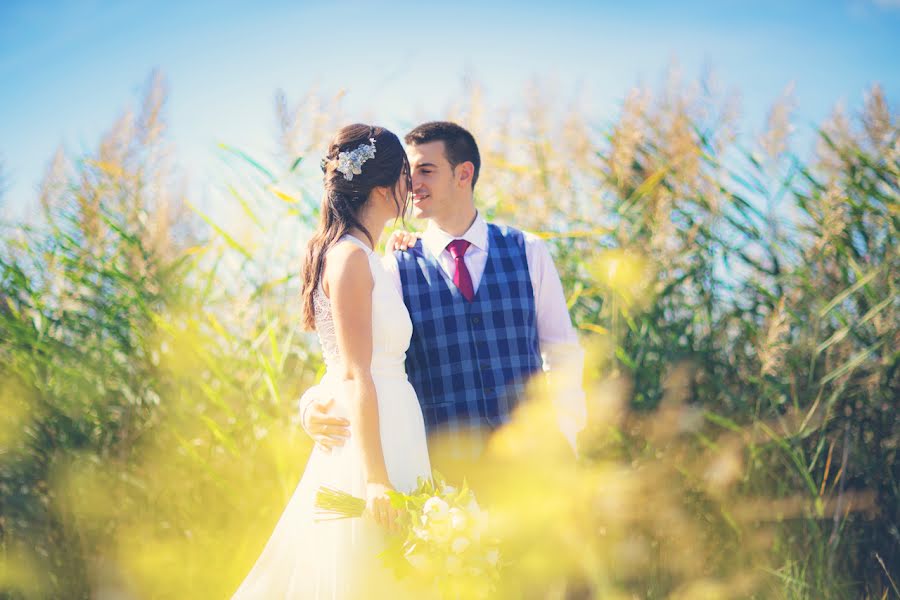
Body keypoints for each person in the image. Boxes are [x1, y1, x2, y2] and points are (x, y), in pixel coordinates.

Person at [300, 121, 586, 467]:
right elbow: (360, 354)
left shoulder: (528, 251)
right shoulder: (394, 266)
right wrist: (312, 405)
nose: (411, 184)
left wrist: (567, 433)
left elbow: (561, 352)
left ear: (463, 174)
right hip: (445, 475)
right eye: (408, 172)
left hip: (536, 464)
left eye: (426, 170)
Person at [232, 124, 430, 599]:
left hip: (395, 424)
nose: (412, 188)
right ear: (385, 188)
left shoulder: (367, 257)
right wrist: (377, 481)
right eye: (407, 176)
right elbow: (354, 371)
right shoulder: (349, 259)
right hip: (374, 437)